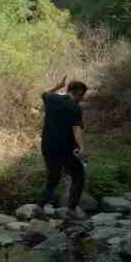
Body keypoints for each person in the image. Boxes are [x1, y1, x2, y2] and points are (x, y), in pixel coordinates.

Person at [37, 76, 88, 217]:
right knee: (78, 176)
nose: (82, 99)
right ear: (78, 93)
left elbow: (44, 94)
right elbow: (77, 129)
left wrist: (58, 86)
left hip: (47, 146)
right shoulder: (75, 107)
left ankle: (39, 206)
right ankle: (71, 209)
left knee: (53, 178)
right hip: (66, 149)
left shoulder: (52, 99)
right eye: (82, 95)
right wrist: (82, 148)